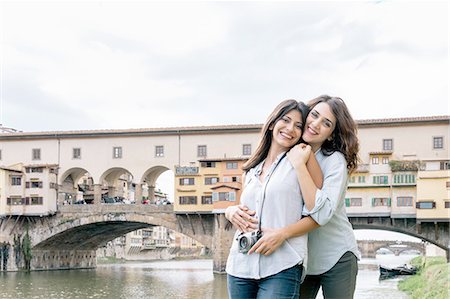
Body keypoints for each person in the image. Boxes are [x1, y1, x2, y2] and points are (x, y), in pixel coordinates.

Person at [225, 99, 323, 299]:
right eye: (285, 120)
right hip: (240, 264)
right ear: (272, 123)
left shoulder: (304, 157)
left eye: (298, 125)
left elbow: (318, 210)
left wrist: (283, 234)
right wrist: (230, 211)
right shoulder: (251, 170)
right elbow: (243, 208)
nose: (290, 129)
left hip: (282, 264)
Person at [291, 95, 360, 299]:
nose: (315, 124)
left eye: (326, 123)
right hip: (303, 260)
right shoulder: (289, 152)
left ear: (330, 135)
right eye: (314, 115)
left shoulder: (334, 162)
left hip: (337, 257)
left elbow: (323, 214)